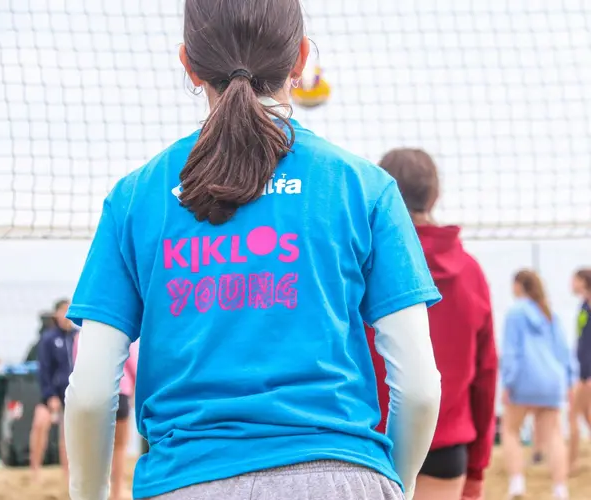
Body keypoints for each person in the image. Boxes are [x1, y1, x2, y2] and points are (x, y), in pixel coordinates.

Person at [63, 1, 443, 500]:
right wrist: (392, 482)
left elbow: (90, 394)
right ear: (301, 59)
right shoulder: (363, 186)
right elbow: (418, 387)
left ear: (189, 65)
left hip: (187, 479)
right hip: (344, 476)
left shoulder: (136, 196)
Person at [368, 149, 498, 500]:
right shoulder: (470, 272)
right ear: (435, 196)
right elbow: (485, 374)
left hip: (371, 442)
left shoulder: (362, 263)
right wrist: (477, 467)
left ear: (384, 192)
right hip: (445, 444)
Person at [501, 270, 578, 500]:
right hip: (552, 382)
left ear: (519, 285)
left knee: (510, 430)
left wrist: (508, 382)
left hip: (524, 380)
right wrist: (569, 380)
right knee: (554, 435)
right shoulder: (549, 312)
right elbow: (564, 351)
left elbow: (512, 352)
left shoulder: (515, 312)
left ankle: (516, 484)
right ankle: (560, 490)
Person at [72, 334, 139, 500]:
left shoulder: (81, 335)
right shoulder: (124, 333)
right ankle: (116, 493)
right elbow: (135, 366)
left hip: (94, 394)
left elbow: (77, 367)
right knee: (120, 446)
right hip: (120, 392)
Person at [29, 299, 76, 481]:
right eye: (63, 310)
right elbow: (44, 370)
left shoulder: (77, 337)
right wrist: (49, 395)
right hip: (52, 394)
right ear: (56, 314)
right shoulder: (48, 338)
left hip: (72, 394)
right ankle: (35, 470)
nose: (67, 315)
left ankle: (68, 475)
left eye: (69, 310)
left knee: (69, 436)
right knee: (40, 425)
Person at [569, 268, 591, 470]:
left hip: (588, 374)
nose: (571, 284)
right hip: (583, 371)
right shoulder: (584, 304)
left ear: (584, 281)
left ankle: (571, 462)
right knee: (586, 415)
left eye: (574, 280)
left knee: (573, 414)